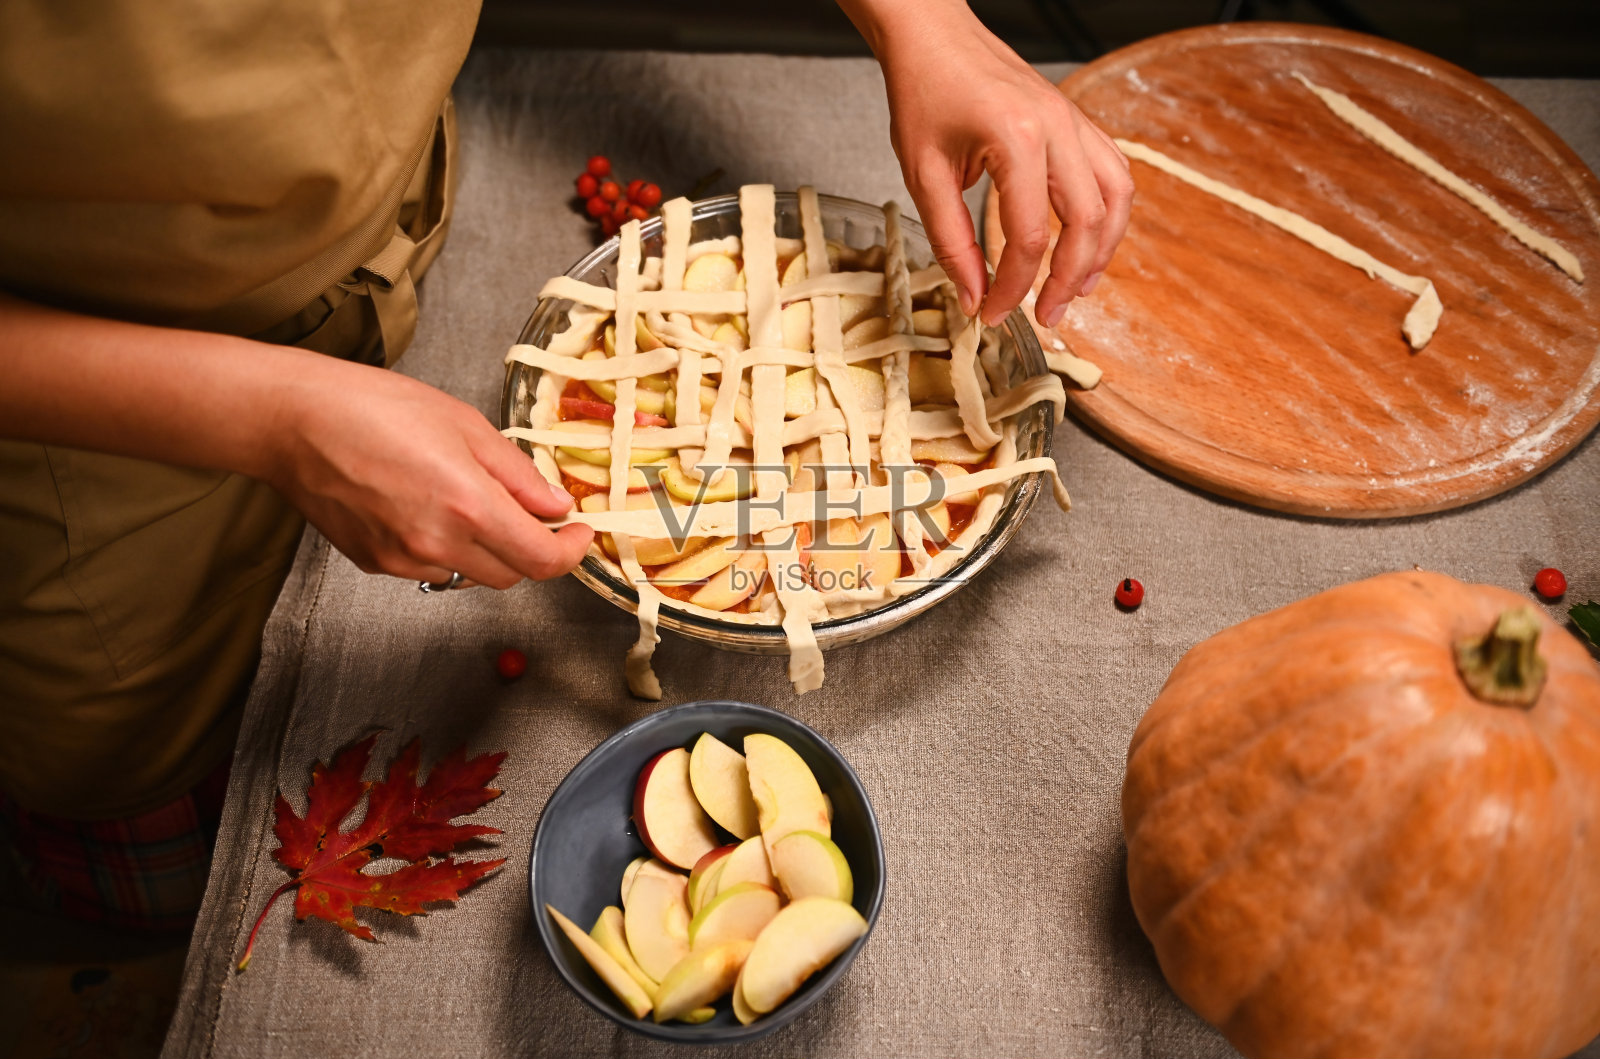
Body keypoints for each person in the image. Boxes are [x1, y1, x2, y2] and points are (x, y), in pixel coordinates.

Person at [0, 0, 1132, 930]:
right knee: (190, 890)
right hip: (105, 477)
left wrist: (921, 17)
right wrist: (275, 417)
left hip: (389, 239)